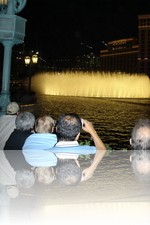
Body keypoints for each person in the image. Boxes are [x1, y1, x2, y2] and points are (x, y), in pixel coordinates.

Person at [51, 113, 107, 185]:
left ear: (56, 130)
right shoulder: (89, 150)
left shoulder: (45, 152)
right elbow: (103, 151)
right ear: (78, 134)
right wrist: (93, 132)